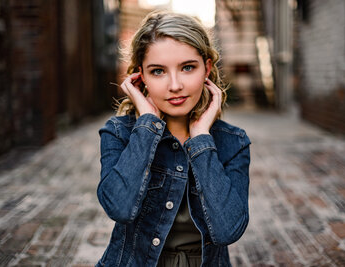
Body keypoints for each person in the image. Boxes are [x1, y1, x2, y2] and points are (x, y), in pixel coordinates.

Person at [96, 11, 251, 267]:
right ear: (140, 77)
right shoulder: (119, 133)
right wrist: (147, 124)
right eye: (158, 71)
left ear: (207, 69)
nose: (175, 85)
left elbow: (228, 231)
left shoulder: (232, 143)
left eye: (188, 67)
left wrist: (201, 138)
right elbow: (120, 208)